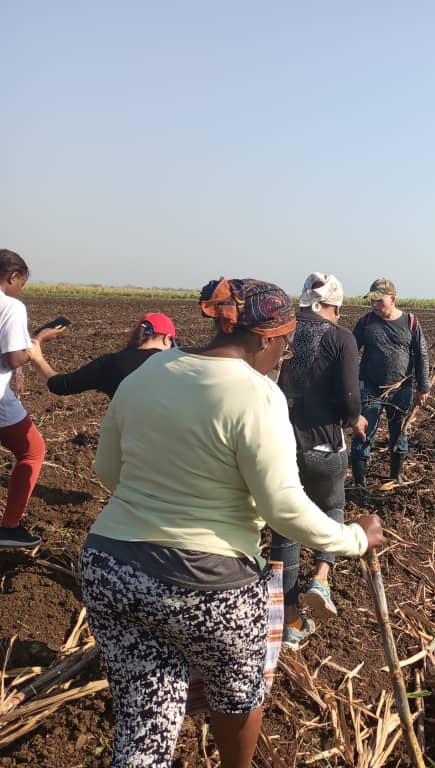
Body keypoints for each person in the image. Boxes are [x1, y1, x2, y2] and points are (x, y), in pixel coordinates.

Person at [79, 276, 385, 768]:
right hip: (208, 583)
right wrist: (354, 538)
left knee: (144, 728)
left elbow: (108, 471)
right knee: (239, 695)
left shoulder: (148, 371)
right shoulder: (257, 394)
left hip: (111, 569)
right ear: (264, 337)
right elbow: (283, 509)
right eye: (284, 343)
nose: (283, 354)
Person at [271, 273, 368, 650]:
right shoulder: (341, 338)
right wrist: (352, 419)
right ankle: (322, 578)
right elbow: (349, 398)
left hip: (282, 447)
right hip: (324, 446)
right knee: (333, 506)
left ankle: (291, 622)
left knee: (286, 529)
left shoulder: (284, 334)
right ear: (336, 307)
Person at [350, 278, 430, 486]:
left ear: (393, 299)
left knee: (400, 432)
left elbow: (421, 354)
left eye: (379, 301)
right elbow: (349, 353)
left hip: (401, 388)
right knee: (363, 433)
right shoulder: (366, 322)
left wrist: (423, 387)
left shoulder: (411, 322)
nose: (374, 305)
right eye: (372, 301)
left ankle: (396, 476)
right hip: (370, 388)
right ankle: (359, 483)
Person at [0, 250, 47, 550]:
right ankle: (9, 527)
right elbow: (14, 357)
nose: (21, 290)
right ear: (13, 276)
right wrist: (36, 345)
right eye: (21, 283)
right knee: (32, 450)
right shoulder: (11, 307)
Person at [29, 313, 177, 399]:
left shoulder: (109, 363)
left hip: (128, 444)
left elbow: (60, 385)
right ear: (167, 339)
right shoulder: (177, 366)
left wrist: (37, 358)